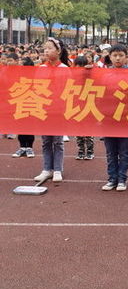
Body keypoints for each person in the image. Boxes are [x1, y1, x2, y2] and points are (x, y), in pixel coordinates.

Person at [34, 38, 70, 183]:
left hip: (58, 111)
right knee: (45, 141)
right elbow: (36, 88)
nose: (46, 51)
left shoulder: (64, 69)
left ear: (59, 51)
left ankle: (57, 169)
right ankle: (46, 169)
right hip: (44, 110)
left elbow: (69, 90)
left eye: (49, 48)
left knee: (58, 141)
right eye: (45, 49)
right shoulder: (41, 68)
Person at [101, 44, 128, 191]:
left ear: (126, 57)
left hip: (125, 117)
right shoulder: (104, 74)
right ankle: (112, 178)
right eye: (115, 55)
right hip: (108, 117)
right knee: (110, 151)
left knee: (124, 151)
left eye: (121, 55)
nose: (118, 58)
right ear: (110, 57)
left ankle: (122, 179)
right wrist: (86, 73)